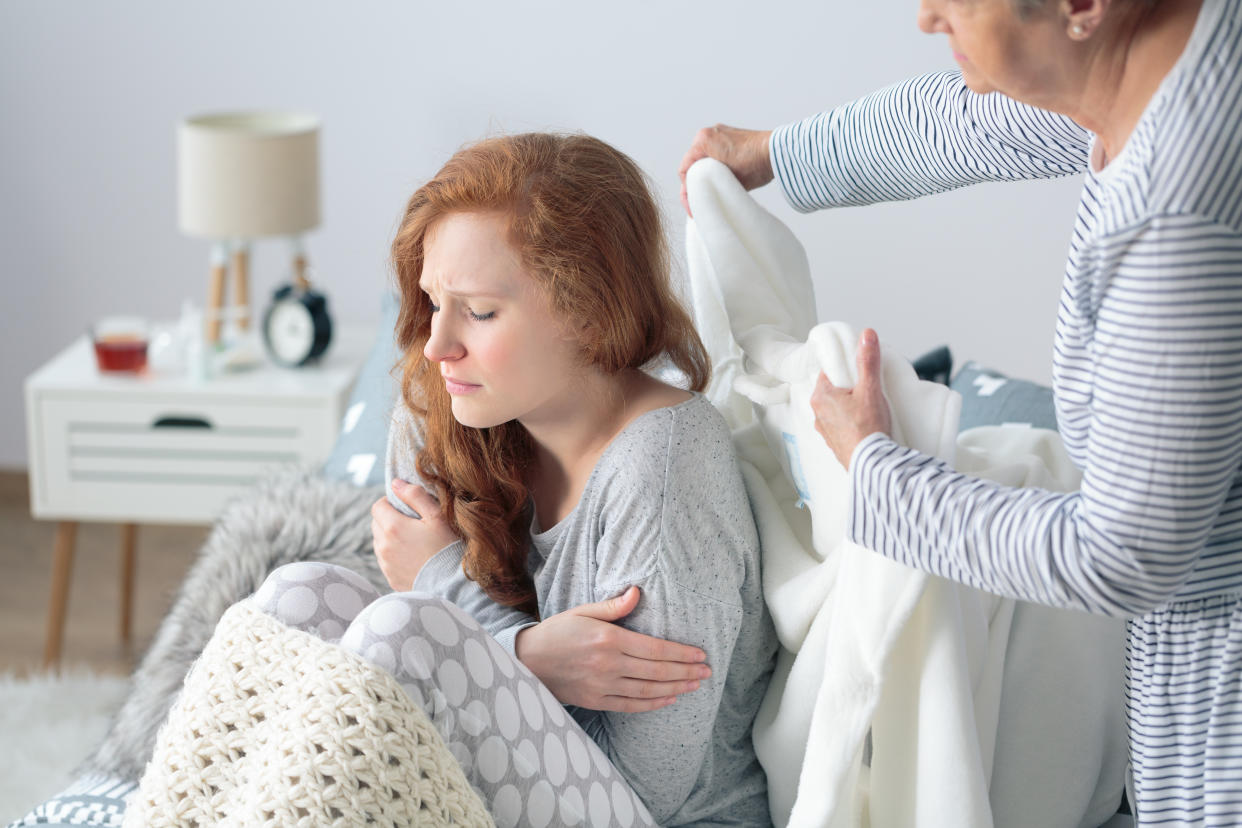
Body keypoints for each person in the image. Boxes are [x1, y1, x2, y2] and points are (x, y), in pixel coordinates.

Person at [680, 0, 1241, 824]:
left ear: (1082, 8)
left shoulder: (1179, 222)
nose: (926, 17)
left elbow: (1121, 557)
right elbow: (979, 121)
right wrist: (774, 154)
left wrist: (878, 474)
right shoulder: (1178, 50)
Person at [256, 132, 778, 827]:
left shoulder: (663, 475)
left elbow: (648, 793)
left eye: (478, 311)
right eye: (433, 301)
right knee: (298, 599)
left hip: (657, 817)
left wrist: (458, 600)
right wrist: (525, 654)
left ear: (589, 311)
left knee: (403, 633)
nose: (438, 345)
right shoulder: (448, 405)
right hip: (482, 796)